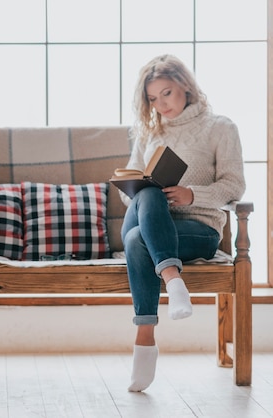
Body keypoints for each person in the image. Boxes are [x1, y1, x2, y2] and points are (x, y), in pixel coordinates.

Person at [120, 54, 246, 392]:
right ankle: (173, 279)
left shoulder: (220, 127)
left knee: (135, 240)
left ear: (186, 87)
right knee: (148, 192)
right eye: (152, 98)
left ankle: (145, 338)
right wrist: (138, 188)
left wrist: (192, 195)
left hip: (197, 229)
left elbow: (234, 186)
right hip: (149, 218)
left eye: (167, 93)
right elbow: (128, 189)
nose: (160, 105)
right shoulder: (149, 132)